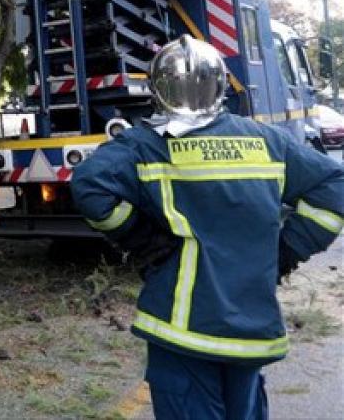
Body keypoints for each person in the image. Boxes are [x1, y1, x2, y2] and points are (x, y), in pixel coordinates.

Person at [71, 35, 344, 419]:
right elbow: (334, 188)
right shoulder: (267, 141)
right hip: (250, 329)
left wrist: (140, 238)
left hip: (182, 327)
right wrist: (288, 251)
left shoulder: (146, 144)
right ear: (220, 85)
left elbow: (89, 186)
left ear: (157, 90)